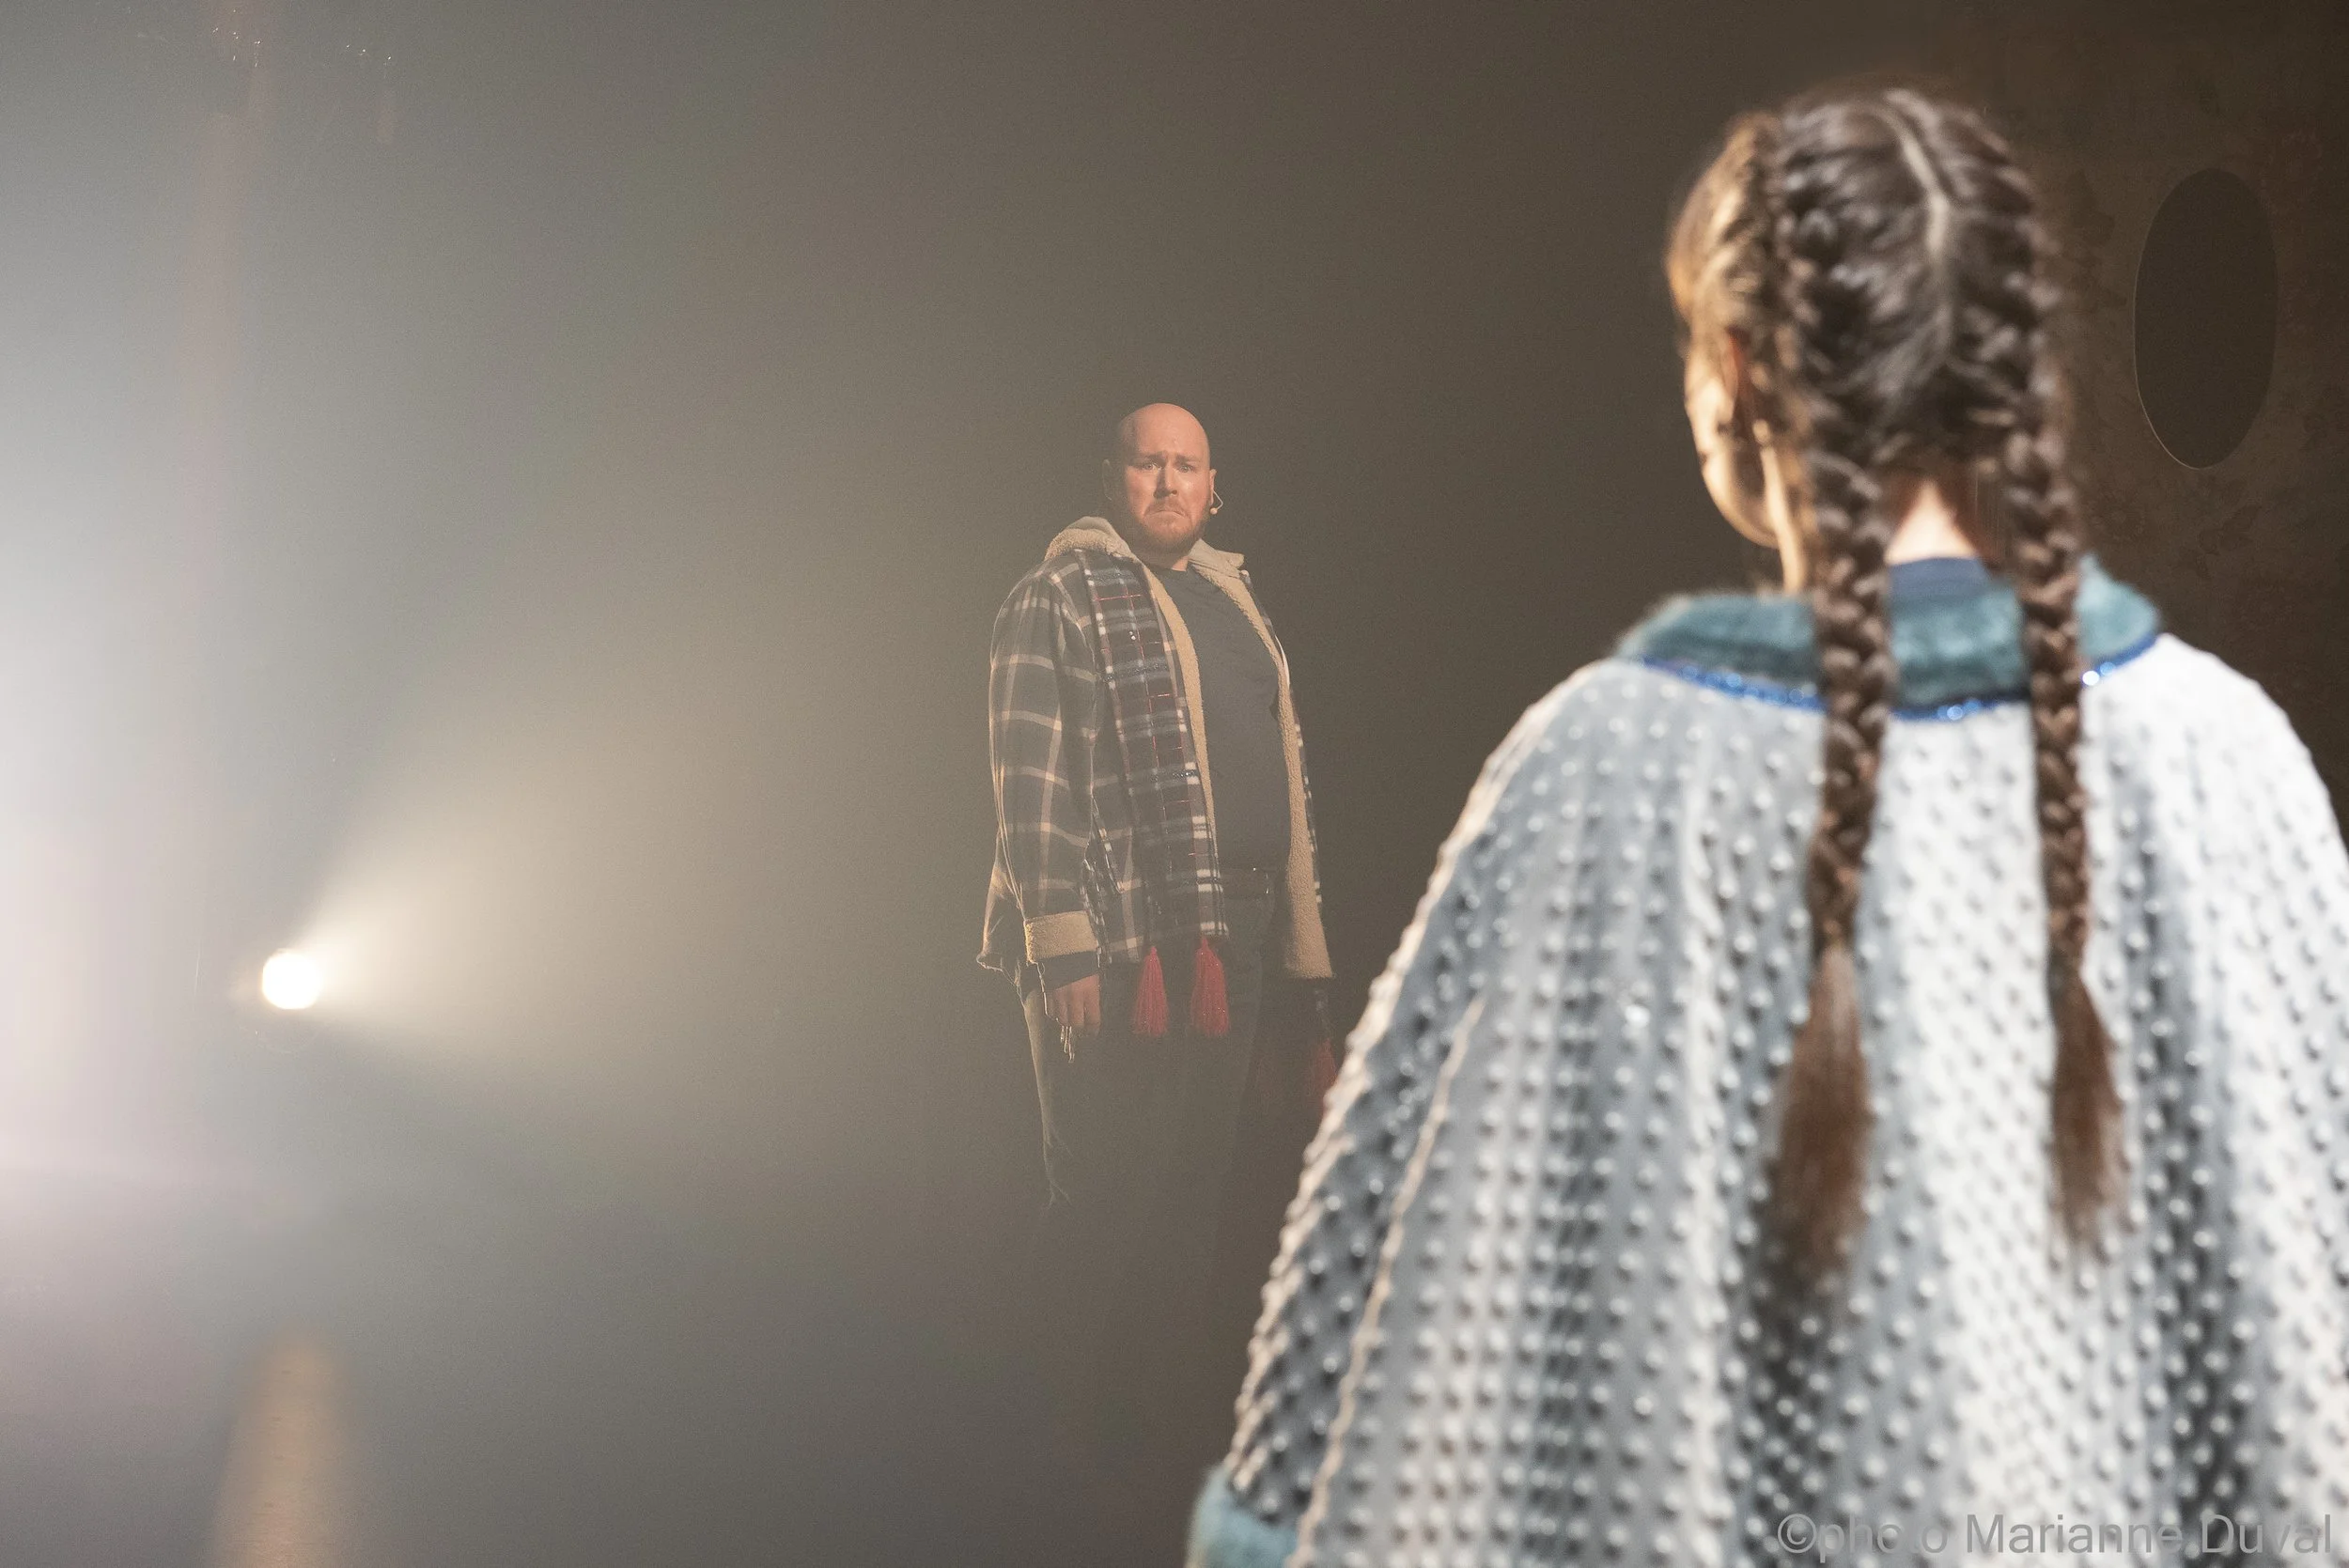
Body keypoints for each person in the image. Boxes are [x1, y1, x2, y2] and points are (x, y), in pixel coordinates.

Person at [1190, 87, 2349, 1567]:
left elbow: (1341, 1361)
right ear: (2009, 382)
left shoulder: (1597, 770)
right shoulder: (2235, 759)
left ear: (1732, 368)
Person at [983, 404, 1335, 1537]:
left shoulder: (1234, 603)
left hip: (1225, 939)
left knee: (1189, 1202)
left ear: (1213, 487)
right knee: (1105, 1196)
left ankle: (1140, 1451)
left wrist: (1296, 960)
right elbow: (1029, 774)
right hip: (1120, 939)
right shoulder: (1059, 594)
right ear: (1112, 476)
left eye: (1187, 465)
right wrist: (1062, 942)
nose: (1168, 481)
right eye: (1148, 462)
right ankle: (1027, 1450)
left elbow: (1280, 777)